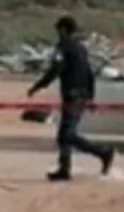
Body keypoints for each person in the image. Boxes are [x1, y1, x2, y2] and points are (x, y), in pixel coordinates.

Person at [27, 14, 116, 182]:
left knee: (67, 135)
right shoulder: (81, 48)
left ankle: (102, 152)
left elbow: (56, 69)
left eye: (58, 30)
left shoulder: (64, 47)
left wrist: (38, 86)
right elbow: (90, 73)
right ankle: (64, 169)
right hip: (81, 96)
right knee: (64, 135)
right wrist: (90, 96)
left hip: (72, 97)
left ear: (63, 30)